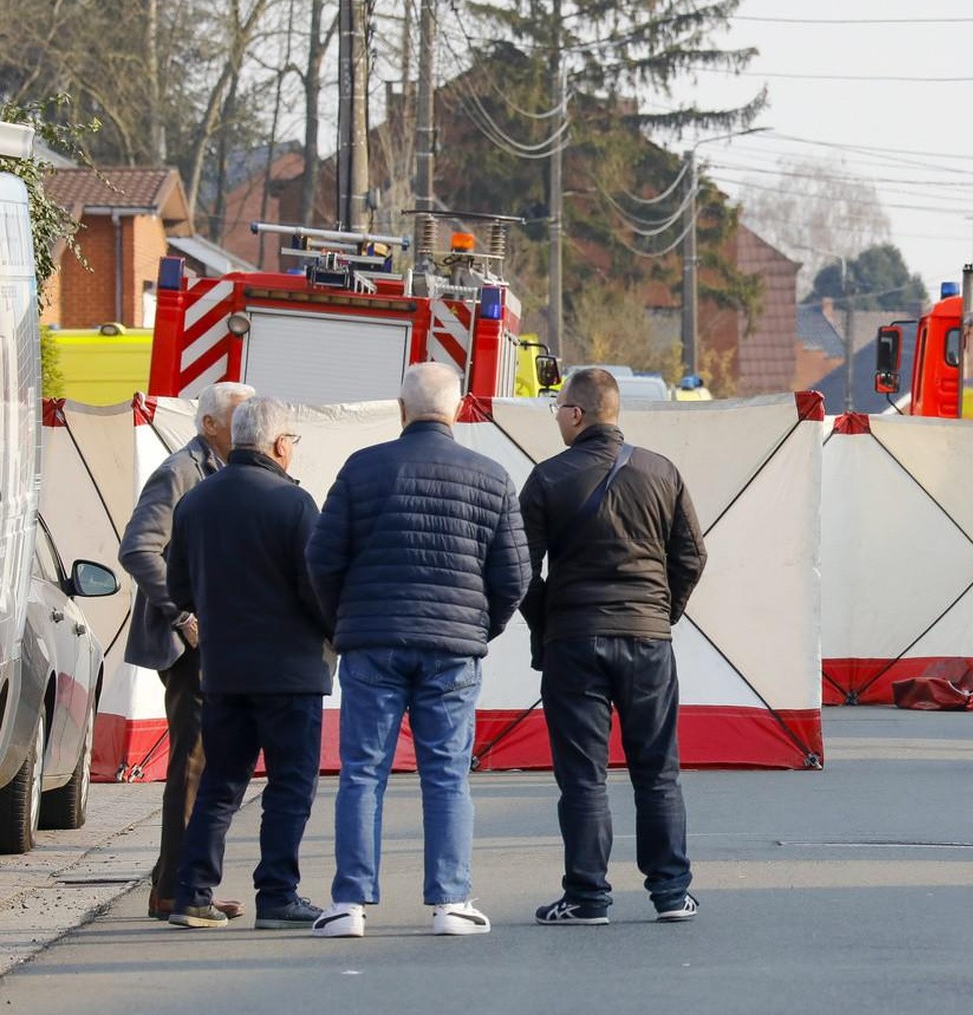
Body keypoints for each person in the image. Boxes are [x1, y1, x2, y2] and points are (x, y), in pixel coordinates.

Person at [306, 362, 530, 938]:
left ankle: (349, 906)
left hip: (371, 643)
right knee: (447, 775)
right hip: (453, 650)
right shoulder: (492, 476)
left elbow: (322, 560)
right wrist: (481, 627)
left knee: (361, 773)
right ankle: (451, 902)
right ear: (456, 409)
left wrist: (343, 622)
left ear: (401, 409)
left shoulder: (360, 469)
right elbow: (515, 575)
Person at [518, 367, 707, 926]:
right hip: (649, 641)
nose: (557, 417)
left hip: (574, 642)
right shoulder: (661, 471)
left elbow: (520, 570)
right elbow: (692, 556)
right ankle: (672, 894)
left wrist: (551, 619)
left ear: (577, 414)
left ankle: (587, 897)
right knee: (658, 772)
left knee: (582, 776)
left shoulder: (548, 478)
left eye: (558, 408)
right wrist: (660, 612)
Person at [163, 397, 330, 929]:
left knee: (221, 784)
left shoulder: (196, 501)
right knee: (290, 785)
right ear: (280, 444)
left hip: (225, 669)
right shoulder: (295, 504)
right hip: (290, 672)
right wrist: (336, 634)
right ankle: (277, 896)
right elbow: (317, 589)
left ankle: (192, 893)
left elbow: (178, 587)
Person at [119, 380, 253, 921]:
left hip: (214, 642)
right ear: (211, 426)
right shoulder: (181, 470)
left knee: (205, 761)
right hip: (187, 646)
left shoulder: (218, 471)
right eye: (238, 419)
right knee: (194, 765)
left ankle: (179, 881)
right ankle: (177, 889)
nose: (248, 430)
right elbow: (138, 547)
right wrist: (181, 613)